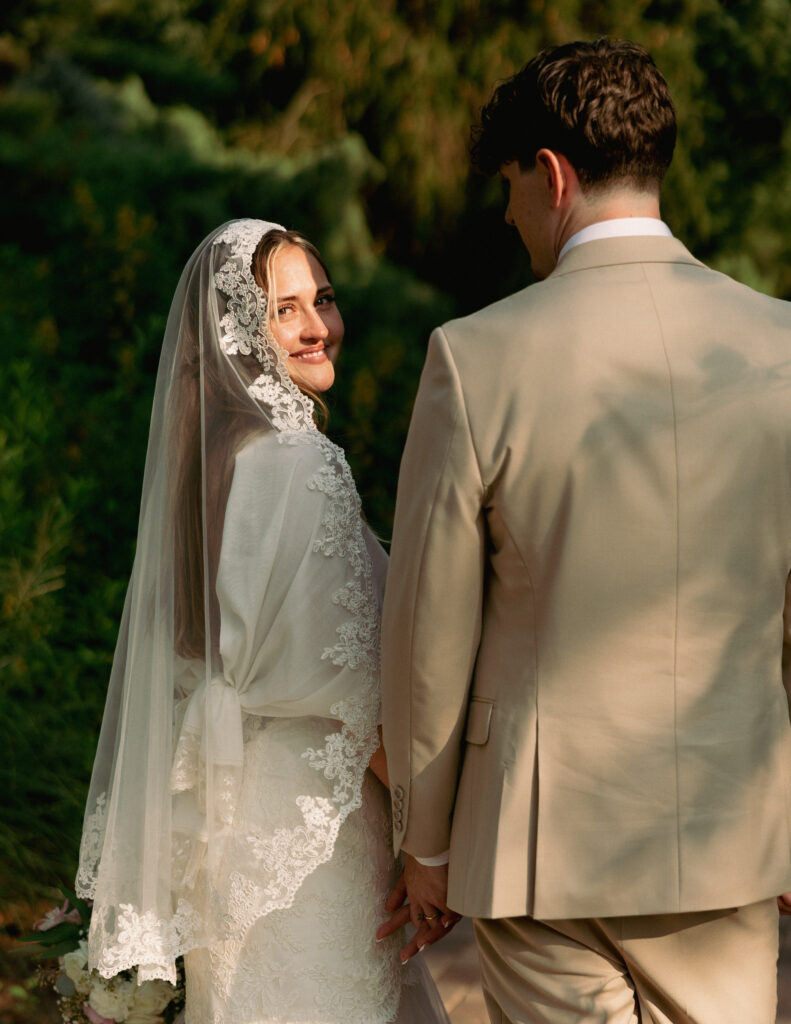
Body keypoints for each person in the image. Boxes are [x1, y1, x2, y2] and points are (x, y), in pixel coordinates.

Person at [378, 38, 791, 1024]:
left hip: (535, 840)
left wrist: (422, 843)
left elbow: (426, 630)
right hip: (728, 830)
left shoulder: (474, 357)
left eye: (511, 182)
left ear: (552, 174)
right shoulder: (778, 346)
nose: (511, 208)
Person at [75, 218, 449, 1024]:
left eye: (322, 299)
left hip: (226, 825)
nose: (318, 327)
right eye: (285, 310)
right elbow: (351, 689)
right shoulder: (299, 462)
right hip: (314, 841)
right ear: (239, 330)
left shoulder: (204, 473)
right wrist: (430, 845)